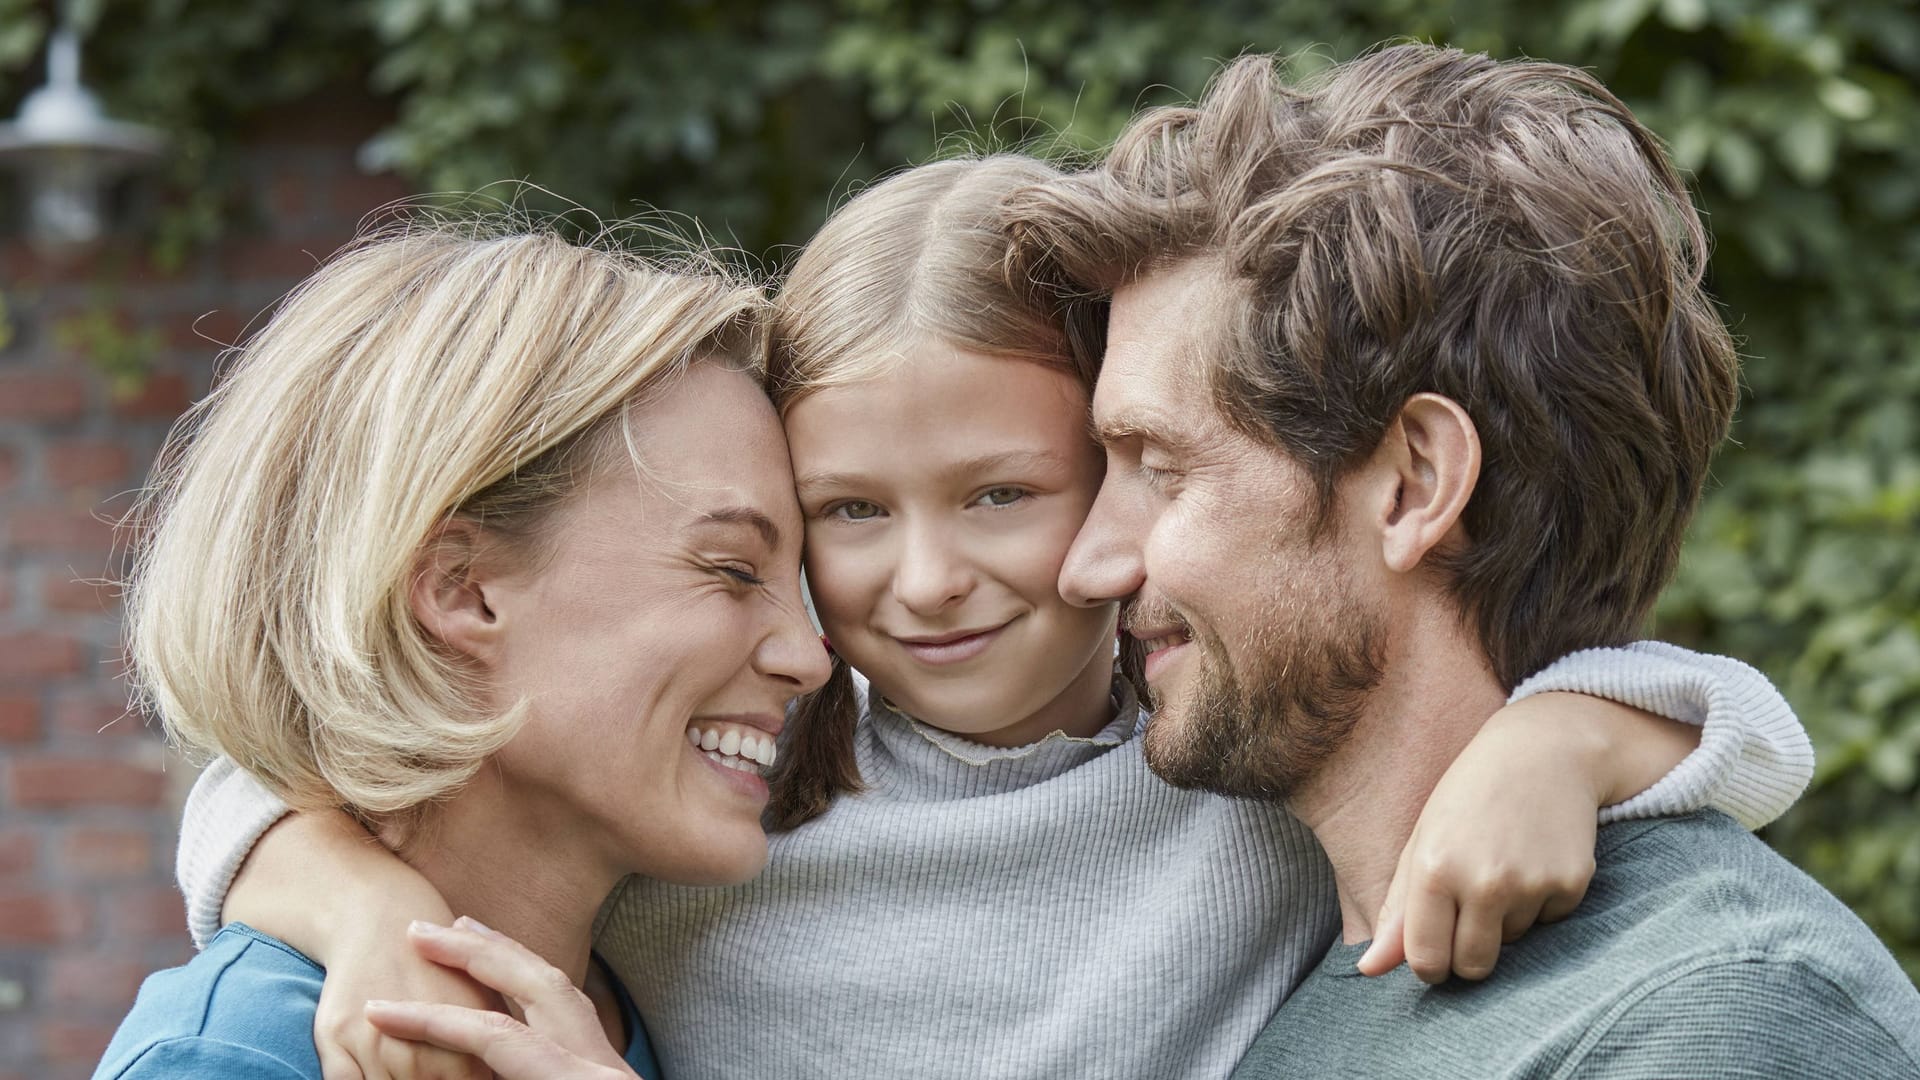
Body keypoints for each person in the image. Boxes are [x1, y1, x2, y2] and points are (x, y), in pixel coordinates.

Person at [172, 160, 1813, 1080]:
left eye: (1005, 496)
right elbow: (285, 769)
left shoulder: (1223, 763)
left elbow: (1717, 717)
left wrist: (1566, 733)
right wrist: (362, 909)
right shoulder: (725, 822)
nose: (928, 578)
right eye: (845, 518)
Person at [1002, 43, 1920, 1077]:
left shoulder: (1720, 1014)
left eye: (1160, 468)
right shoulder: (1272, 975)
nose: (1085, 565)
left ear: (1414, 484)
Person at [92, 221, 831, 1079]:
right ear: (460, 589)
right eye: (735, 570)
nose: (811, 659)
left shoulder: (655, 989)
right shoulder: (231, 1057)